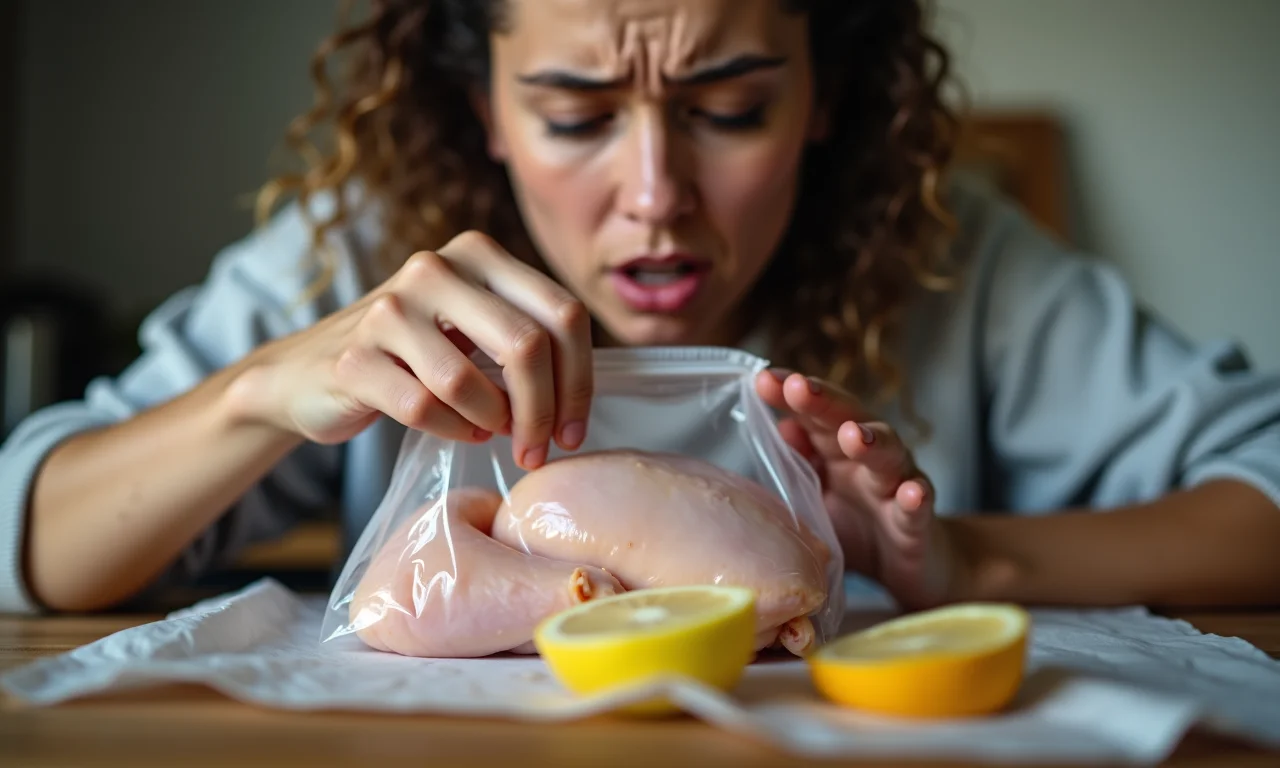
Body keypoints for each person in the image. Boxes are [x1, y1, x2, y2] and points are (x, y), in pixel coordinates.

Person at [2, 0, 1278, 617]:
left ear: (823, 99)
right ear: (483, 112)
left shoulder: (952, 265)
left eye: (729, 109)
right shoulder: (359, 261)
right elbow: (28, 543)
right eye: (573, 117)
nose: (656, 197)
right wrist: (259, 393)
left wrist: (964, 563)